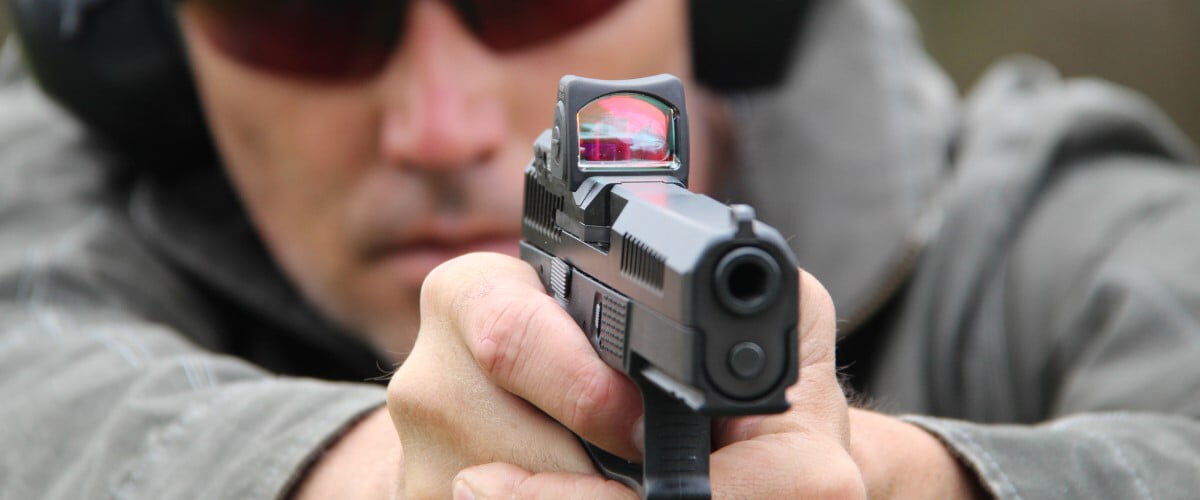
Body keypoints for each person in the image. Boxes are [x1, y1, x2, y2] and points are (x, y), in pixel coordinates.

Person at [2, 0, 1199, 498]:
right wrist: (383, 471)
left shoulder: (1037, 207)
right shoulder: (65, 186)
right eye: (303, 18)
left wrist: (902, 475)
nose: (440, 124)